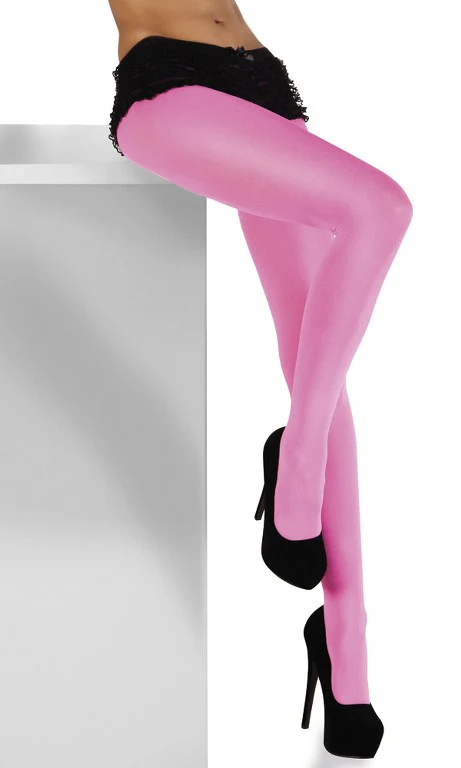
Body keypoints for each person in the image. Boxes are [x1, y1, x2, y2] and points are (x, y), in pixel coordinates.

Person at [106, 0, 413, 758]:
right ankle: (295, 473)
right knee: (379, 208)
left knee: (317, 363)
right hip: (167, 83)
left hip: (264, 85)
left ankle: (348, 664)